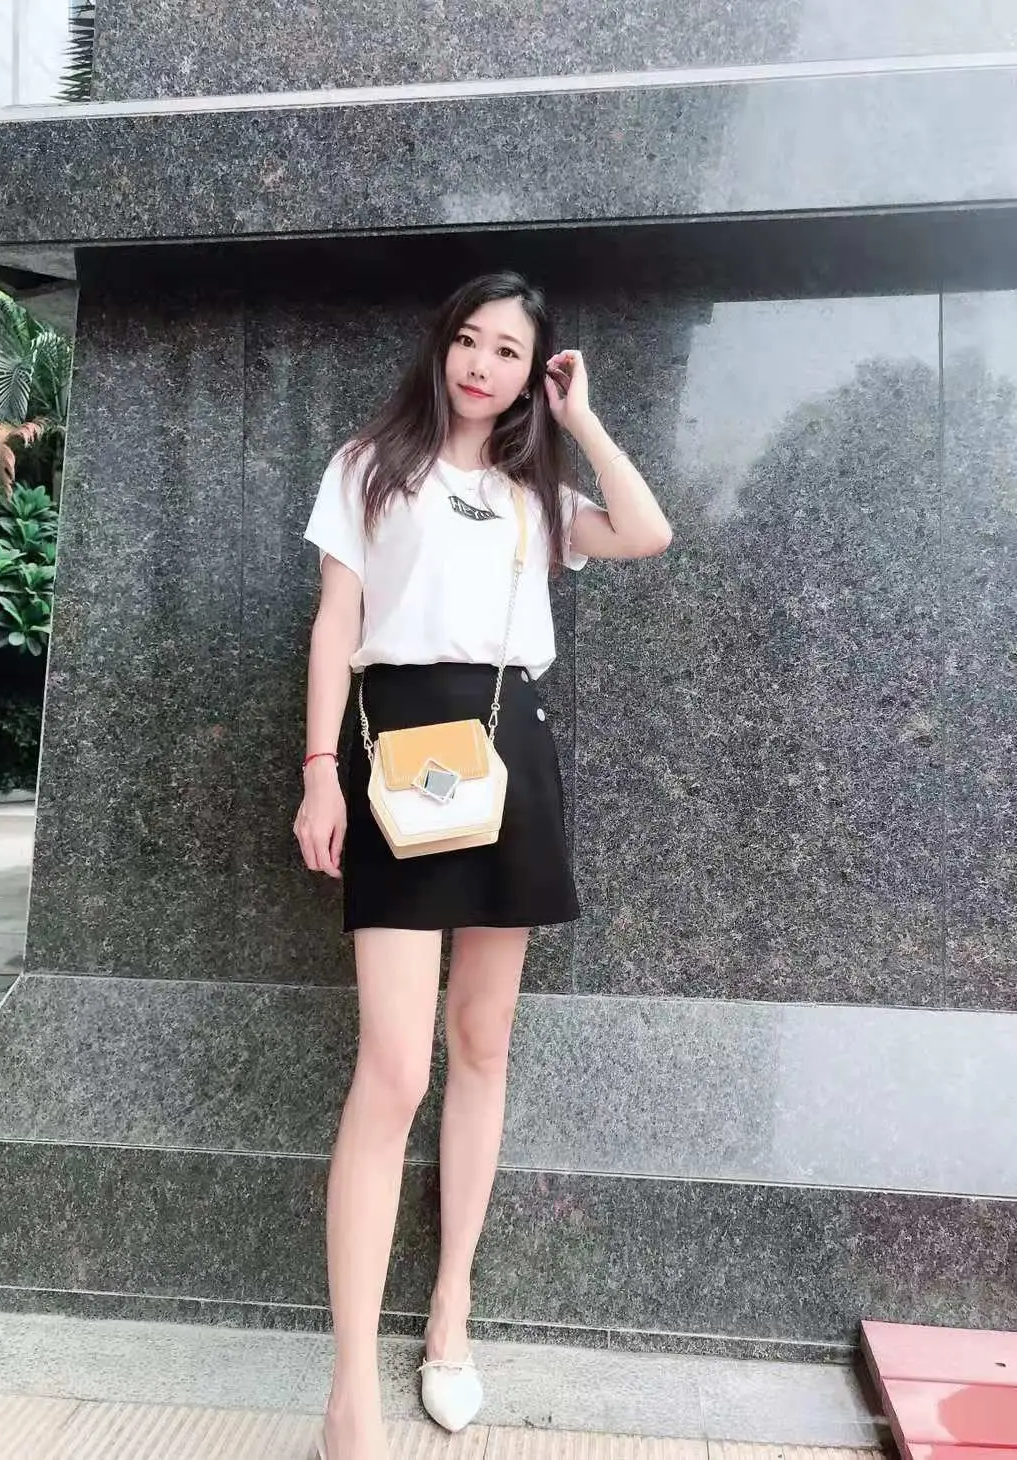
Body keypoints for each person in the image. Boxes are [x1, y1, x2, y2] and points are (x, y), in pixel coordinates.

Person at [294, 270, 673, 1460]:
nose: (481, 363)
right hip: (397, 753)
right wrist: (318, 771)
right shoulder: (369, 466)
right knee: (391, 1066)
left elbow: (647, 531)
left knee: (481, 1040)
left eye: (509, 350)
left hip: (506, 749)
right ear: (439, 347)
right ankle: (350, 1388)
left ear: (530, 372)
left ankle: (450, 1305)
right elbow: (334, 621)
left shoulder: (533, 493)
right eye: (468, 339)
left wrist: (582, 420)